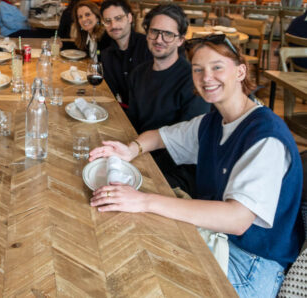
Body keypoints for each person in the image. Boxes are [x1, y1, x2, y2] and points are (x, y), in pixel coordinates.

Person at [89, 34, 304, 298]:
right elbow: (159, 136)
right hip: (220, 240)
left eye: (217, 67)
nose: (206, 77)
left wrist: (144, 201)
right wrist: (131, 149)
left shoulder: (265, 136)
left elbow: (237, 219)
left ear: (240, 71)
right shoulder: (213, 121)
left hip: (252, 264)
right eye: (197, 70)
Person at [126, 4, 210, 195]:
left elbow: (188, 142)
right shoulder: (138, 74)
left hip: (178, 170)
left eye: (168, 34)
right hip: (141, 153)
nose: (159, 39)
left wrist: (141, 166)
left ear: (181, 40)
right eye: (154, 32)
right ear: (147, 33)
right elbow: (133, 123)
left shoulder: (193, 80)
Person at [99, 0, 152, 106]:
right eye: (107, 21)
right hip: (126, 114)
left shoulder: (149, 46)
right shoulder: (106, 55)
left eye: (118, 18)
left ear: (129, 18)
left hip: (153, 116)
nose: (113, 25)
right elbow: (111, 93)